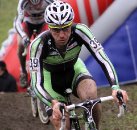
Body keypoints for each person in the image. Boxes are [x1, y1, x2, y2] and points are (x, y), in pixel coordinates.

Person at [29, 1, 129, 130]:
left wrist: (115, 87)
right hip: (50, 80)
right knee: (63, 124)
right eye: (56, 30)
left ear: (71, 24)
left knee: (91, 96)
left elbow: (103, 59)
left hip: (74, 70)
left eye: (66, 28)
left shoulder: (81, 31)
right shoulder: (38, 44)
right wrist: (52, 102)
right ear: (48, 27)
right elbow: (36, 83)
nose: (62, 35)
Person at [15, 0, 54, 88]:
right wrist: (24, 36)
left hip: (44, 21)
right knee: (21, 45)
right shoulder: (23, 2)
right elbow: (17, 22)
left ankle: (45, 72)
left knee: (45, 44)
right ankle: (23, 72)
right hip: (27, 21)